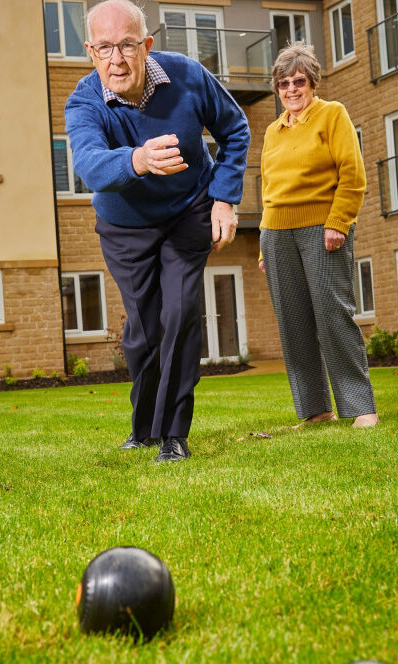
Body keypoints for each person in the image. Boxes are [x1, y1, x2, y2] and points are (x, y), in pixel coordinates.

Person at [65, 0, 251, 461]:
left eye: (127, 45)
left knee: (180, 313)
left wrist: (224, 199)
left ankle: (173, 434)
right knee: (144, 331)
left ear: (146, 45)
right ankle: (144, 427)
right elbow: (89, 164)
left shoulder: (187, 75)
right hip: (125, 225)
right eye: (104, 48)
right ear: (90, 52)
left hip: (189, 210)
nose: (116, 59)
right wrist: (139, 159)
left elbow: (235, 129)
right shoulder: (84, 101)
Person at [258, 42, 379, 428]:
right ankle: (316, 410)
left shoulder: (332, 115)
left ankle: (361, 408)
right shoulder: (272, 131)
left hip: (322, 228)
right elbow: (268, 189)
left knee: (332, 316)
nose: (291, 90)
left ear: (312, 83)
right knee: (293, 323)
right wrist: (263, 247)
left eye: (298, 81)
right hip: (276, 234)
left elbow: (352, 173)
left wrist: (338, 222)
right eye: (283, 84)